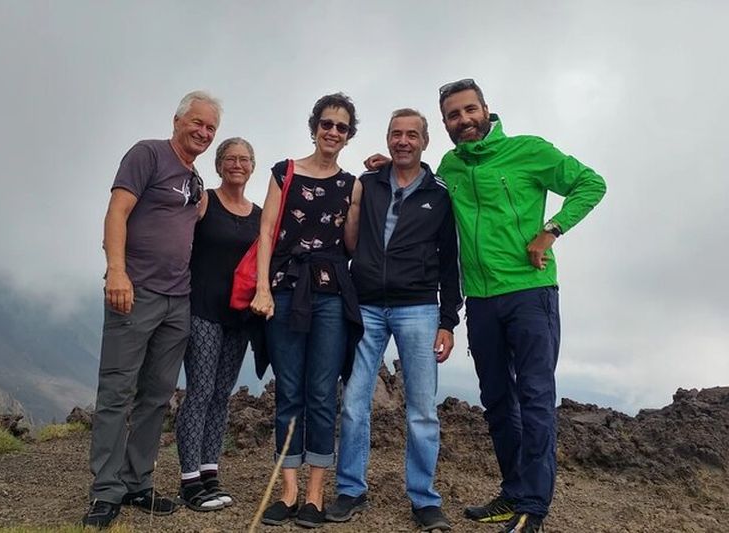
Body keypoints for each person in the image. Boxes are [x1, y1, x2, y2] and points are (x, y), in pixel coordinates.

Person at [436, 79, 607, 533]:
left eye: (469, 110)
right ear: (446, 123)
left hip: (531, 293)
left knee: (535, 398)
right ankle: (513, 492)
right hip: (480, 300)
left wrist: (551, 230)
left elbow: (591, 184)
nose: (463, 120)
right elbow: (424, 193)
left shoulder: (528, 150)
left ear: (486, 110)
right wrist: (387, 168)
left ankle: (533, 506)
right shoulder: (450, 166)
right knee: (496, 400)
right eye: (453, 115)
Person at [82, 91, 221, 529]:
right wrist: (116, 271)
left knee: (157, 396)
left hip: (178, 300)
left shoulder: (196, 180)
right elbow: (117, 211)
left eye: (211, 128)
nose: (203, 132)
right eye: (197, 122)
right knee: (116, 392)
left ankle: (137, 482)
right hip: (135, 291)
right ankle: (106, 491)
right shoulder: (148, 154)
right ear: (177, 121)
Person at [326, 108, 462, 532]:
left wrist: (448, 320)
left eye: (411, 135)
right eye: (396, 134)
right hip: (365, 305)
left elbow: (450, 261)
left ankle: (424, 499)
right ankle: (350, 490)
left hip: (419, 308)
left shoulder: (440, 194)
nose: (403, 141)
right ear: (387, 139)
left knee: (422, 410)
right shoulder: (367, 184)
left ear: (425, 141)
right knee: (353, 403)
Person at [250, 93, 363, 529]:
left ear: (349, 136)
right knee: (288, 390)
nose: (333, 132)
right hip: (284, 289)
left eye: (342, 127)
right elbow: (266, 231)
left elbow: (350, 244)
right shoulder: (285, 173)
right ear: (314, 127)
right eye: (327, 124)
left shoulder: (352, 184)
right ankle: (288, 491)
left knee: (321, 392)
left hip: (331, 293)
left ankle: (315, 493)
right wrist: (262, 288)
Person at [175, 138, 262, 512]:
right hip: (202, 309)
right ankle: (189, 480)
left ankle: (210, 472)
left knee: (221, 395)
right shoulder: (205, 202)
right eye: (230, 158)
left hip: (239, 316)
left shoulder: (260, 215)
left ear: (252, 166)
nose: (237, 165)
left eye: (244, 159)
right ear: (219, 164)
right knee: (200, 391)